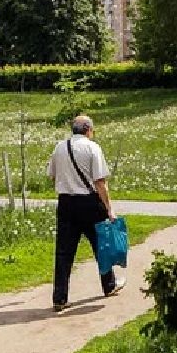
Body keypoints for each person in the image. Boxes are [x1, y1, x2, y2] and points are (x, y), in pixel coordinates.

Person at [46, 114, 122, 312]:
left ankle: (59, 298)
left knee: (63, 252)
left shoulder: (59, 147)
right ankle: (109, 285)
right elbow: (99, 181)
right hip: (89, 202)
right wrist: (109, 208)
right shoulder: (92, 148)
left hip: (65, 203)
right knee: (101, 245)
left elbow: (52, 175)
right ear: (88, 129)